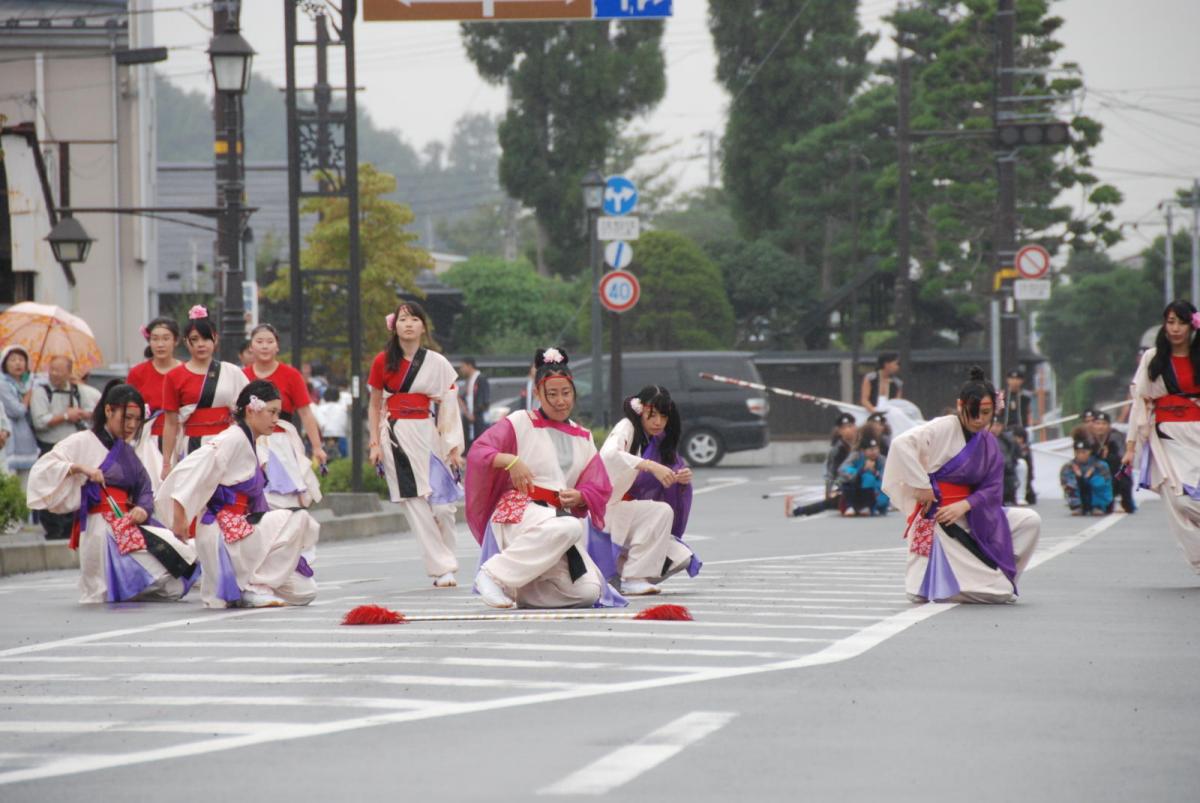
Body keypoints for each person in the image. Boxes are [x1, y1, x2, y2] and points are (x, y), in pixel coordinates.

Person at [466, 347, 621, 610]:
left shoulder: (583, 436)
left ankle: (523, 592)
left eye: (566, 393)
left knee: (589, 592)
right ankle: (492, 575)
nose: (560, 401)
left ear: (574, 393)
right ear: (538, 394)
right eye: (552, 394)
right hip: (520, 509)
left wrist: (581, 495)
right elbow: (479, 452)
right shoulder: (520, 421)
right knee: (570, 527)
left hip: (556, 519)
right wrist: (511, 461)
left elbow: (598, 485)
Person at [26, 382, 198, 604]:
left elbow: (144, 488)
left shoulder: (127, 452)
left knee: (174, 579)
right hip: (98, 527)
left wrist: (142, 509)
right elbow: (43, 468)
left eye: (137, 419)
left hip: (126, 524)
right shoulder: (82, 441)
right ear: (108, 411)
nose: (132, 425)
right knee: (103, 589)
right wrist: (80, 468)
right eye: (127, 418)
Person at [881, 366, 1041, 604]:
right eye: (973, 412)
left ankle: (1002, 577)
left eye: (985, 413)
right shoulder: (943, 426)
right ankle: (977, 585)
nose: (979, 419)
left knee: (1030, 520)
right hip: (939, 517)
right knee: (995, 594)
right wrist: (922, 485)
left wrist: (966, 504)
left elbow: (993, 486)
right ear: (960, 405)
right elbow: (901, 444)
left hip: (972, 513)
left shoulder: (988, 441)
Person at [157, 380, 318, 608]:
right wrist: (180, 516)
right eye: (272, 412)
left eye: (278, 413)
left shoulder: (250, 441)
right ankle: (250, 586)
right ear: (251, 410)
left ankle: (252, 582)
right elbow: (192, 471)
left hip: (241, 528)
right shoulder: (232, 438)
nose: (276, 419)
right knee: (299, 518)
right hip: (224, 531)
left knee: (305, 591)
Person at [367, 302, 465, 588]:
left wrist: (453, 445)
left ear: (423, 326)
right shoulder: (382, 361)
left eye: (413, 319)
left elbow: (449, 404)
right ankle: (442, 568)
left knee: (443, 506)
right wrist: (374, 443)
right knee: (416, 504)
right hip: (396, 435)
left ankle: (446, 557)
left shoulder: (437, 362)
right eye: (402, 319)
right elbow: (374, 405)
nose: (408, 324)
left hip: (429, 434)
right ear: (394, 326)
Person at [599, 386, 701, 595]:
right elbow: (609, 455)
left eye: (663, 416)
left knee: (681, 556)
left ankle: (630, 576)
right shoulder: (626, 426)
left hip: (621, 512)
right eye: (652, 415)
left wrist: (680, 479)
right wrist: (650, 466)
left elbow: (670, 472)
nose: (658, 422)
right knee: (659, 515)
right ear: (639, 410)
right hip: (600, 512)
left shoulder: (658, 440)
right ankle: (619, 574)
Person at [1124, 300, 1200, 572]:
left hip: (1197, 436)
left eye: (1181, 322)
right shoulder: (1153, 358)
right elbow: (1140, 402)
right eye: (1171, 322)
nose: (1176, 328)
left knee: (1193, 498)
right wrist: (1131, 446)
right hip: (1166, 438)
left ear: (1192, 325)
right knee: (1178, 500)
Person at [159, 306, 248, 479]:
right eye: (195, 339)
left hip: (227, 443)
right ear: (186, 341)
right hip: (193, 445)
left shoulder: (232, 372)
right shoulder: (174, 377)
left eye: (206, 338)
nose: (201, 344)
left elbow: (248, 411)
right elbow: (170, 423)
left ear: (215, 339)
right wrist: (166, 463)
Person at [243, 323, 326, 509]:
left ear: (277, 346)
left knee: (284, 499)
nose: (265, 346)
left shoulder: (291, 375)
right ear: (251, 346)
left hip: (281, 442)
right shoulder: (241, 375)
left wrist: (317, 447)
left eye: (269, 341)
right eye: (259, 341)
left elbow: (306, 413)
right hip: (250, 442)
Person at [31, 356, 100, 539]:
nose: (54, 374)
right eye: (52, 369)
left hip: (74, 448)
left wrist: (82, 414)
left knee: (74, 487)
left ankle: (71, 527)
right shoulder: (41, 392)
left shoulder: (78, 391)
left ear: (69, 372)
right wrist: (65, 416)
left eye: (59, 370)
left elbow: (95, 410)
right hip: (50, 446)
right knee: (50, 487)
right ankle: (53, 529)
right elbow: (39, 421)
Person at [125, 316, 182, 488]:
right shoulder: (137, 373)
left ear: (176, 341)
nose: (160, 344)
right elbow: (128, 408)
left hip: (180, 438)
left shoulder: (185, 371)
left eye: (166, 338)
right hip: (147, 439)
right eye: (155, 339)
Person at [784, 412, 857, 518]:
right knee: (832, 502)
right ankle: (797, 511)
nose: (848, 430)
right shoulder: (837, 450)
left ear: (855, 427)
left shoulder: (861, 444)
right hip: (845, 485)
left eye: (850, 426)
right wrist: (830, 491)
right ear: (839, 431)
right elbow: (830, 474)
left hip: (862, 483)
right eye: (844, 428)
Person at [0, 345, 38, 479]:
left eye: (21, 359)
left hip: (27, 438)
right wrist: (27, 397)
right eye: (13, 360)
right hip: (10, 437)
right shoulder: (3, 384)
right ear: (4, 364)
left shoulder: (30, 382)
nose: (18, 363)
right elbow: (17, 411)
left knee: (28, 479)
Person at [836, 435, 889, 517]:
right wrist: (860, 471)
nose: (874, 452)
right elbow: (842, 469)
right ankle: (850, 506)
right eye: (871, 450)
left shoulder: (881, 460)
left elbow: (886, 477)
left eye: (876, 449)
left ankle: (870, 506)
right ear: (863, 451)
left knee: (869, 478)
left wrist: (875, 472)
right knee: (847, 482)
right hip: (856, 486)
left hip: (875, 491)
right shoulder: (856, 456)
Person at [1060, 439, 1114, 515]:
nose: (1081, 455)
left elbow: (1105, 484)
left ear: (1090, 452)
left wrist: (1088, 477)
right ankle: (1077, 506)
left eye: (1084, 452)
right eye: (1078, 452)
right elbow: (1065, 483)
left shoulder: (1100, 465)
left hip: (1097, 497)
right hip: (1079, 496)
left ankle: (1098, 506)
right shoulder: (1069, 466)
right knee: (1070, 484)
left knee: (1097, 482)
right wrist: (1079, 478)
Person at [457, 357, 490, 451]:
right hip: (470, 416)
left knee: (480, 443)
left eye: (463, 366)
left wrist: (475, 413)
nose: (461, 369)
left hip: (478, 417)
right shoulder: (469, 380)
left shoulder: (481, 379)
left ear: (469, 365)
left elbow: (484, 399)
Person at [315, 385, 349, 459]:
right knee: (342, 458)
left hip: (325, 436)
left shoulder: (320, 408)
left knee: (325, 458)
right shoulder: (343, 408)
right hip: (340, 435)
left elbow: (321, 423)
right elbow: (345, 423)